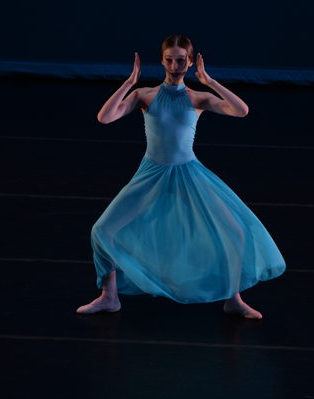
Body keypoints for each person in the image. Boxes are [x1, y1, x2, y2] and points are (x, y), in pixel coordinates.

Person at [76, 34, 285, 319]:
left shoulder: (198, 98)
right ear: (162, 61)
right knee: (102, 230)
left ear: (190, 63)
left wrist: (209, 81)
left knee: (235, 232)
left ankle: (233, 299)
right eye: (170, 60)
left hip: (189, 174)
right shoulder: (145, 95)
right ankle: (109, 296)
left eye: (181, 60)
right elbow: (105, 117)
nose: (175, 66)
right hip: (152, 175)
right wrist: (129, 83)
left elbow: (241, 110)